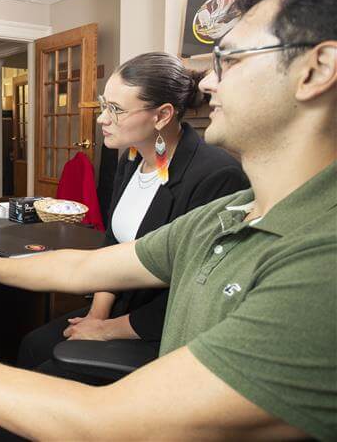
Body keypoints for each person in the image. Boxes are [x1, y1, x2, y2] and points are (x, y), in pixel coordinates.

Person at [0, 0, 337, 440]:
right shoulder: (228, 215)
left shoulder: (321, 262)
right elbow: (84, 268)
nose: (207, 82)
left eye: (228, 61)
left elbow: (108, 422)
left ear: (316, 70)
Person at [18, 52, 249, 372]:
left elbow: (195, 290)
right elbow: (113, 245)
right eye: (104, 104)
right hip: (116, 309)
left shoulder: (217, 176)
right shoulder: (130, 160)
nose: (102, 118)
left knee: (52, 368)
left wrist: (107, 329)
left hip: (158, 326)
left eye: (116, 109)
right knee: (32, 345)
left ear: (162, 115)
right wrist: (96, 315)